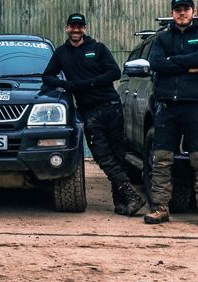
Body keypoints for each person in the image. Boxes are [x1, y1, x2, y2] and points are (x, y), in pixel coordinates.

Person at [42, 12, 146, 216]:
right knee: (102, 155)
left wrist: (88, 83)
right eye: (72, 26)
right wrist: (67, 86)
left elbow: (114, 72)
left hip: (111, 106)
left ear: (85, 29)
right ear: (67, 28)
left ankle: (122, 202)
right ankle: (131, 195)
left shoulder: (97, 49)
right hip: (89, 112)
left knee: (118, 154)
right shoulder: (61, 53)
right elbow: (47, 76)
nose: (76, 30)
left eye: (79, 26)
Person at [145, 0, 198, 227]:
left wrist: (172, 62)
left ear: (194, 12)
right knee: (161, 159)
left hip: (195, 106)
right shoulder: (163, 38)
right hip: (167, 106)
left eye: (186, 9)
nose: (182, 13)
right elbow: (155, 63)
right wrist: (189, 65)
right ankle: (160, 209)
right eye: (178, 10)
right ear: (172, 13)